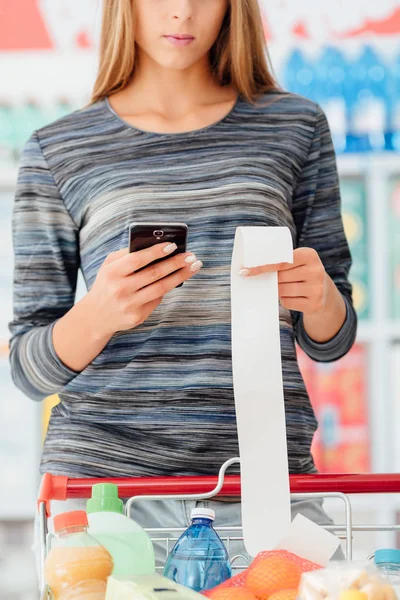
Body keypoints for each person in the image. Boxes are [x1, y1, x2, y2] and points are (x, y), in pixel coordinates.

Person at [10, 0, 355, 564]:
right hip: (105, 485)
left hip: (264, 477)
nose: (182, 12)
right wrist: (100, 313)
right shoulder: (58, 148)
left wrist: (319, 301)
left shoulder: (295, 125)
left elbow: (333, 338)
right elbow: (27, 368)